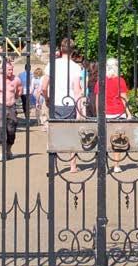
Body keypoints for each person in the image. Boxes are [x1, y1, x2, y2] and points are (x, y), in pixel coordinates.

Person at [43, 38, 85, 172]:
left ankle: (51, 165)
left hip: (55, 103)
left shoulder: (52, 64)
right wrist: (80, 110)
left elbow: (43, 86)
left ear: (61, 49)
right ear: (73, 51)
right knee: (72, 133)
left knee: (54, 133)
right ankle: (73, 165)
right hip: (70, 104)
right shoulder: (75, 67)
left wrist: (47, 98)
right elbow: (77, 90)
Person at [95, 57, 129, 172]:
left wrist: (97, 113)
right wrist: (128, 113)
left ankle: (102, 164)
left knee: (103, 140)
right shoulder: (120, 80)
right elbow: (124, 98)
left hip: (105, 113)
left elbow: (97, 100)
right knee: (117, 140)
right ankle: (116, 165)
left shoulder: (100, 81)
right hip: (119, 113)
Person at [0, 58, 24, 161]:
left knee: (11, 130)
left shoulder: (16, 79)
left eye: (12, 69)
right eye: (9, 70)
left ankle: (8, 150)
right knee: (0, 129)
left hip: (11, 106)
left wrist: (16, 96)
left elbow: (20, 90)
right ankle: (1, 152)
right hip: (1, 106)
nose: (11, 72)